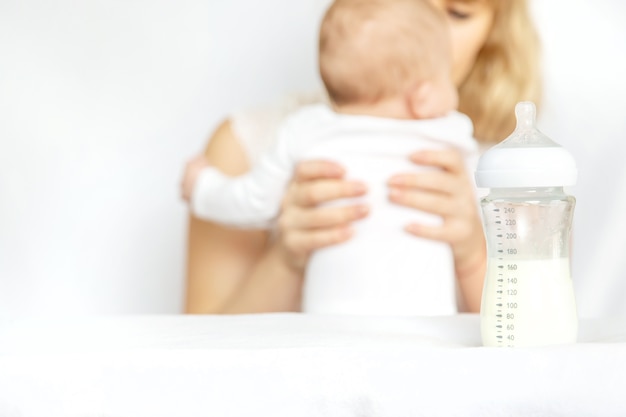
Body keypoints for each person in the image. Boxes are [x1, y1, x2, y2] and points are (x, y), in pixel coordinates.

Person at [182, 0, 541, 314]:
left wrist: (473, 252)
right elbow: (199, 357)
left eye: (459, 12)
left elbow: (535, 341)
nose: (423, 24)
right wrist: (287, 258)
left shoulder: (512, 171)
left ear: (495, 32)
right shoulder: (260, 141)